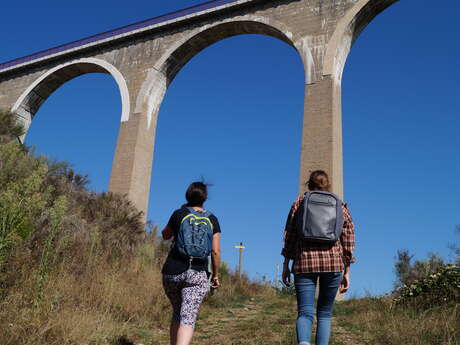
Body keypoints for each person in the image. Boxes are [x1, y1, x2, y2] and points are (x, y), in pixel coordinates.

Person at [281, 170, 355, 345]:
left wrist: (286, 263)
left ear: (309, 184)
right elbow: (348, 238)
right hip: (333, 263)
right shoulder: (340, 205)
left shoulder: (299, 202)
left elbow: (289, 235)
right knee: (325, 313)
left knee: (305, 312)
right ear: (328, 184)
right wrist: (347, 270)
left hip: (304, 262)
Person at [161, 182, 221, 345]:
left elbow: (165, 235)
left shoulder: (178, 213)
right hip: (198, 274)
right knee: (187, 317)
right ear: (205, 198)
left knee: (177, 313)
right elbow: (215, 252)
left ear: (187, 196)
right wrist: (215, 275)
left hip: (172, 271)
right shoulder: (212, 219)